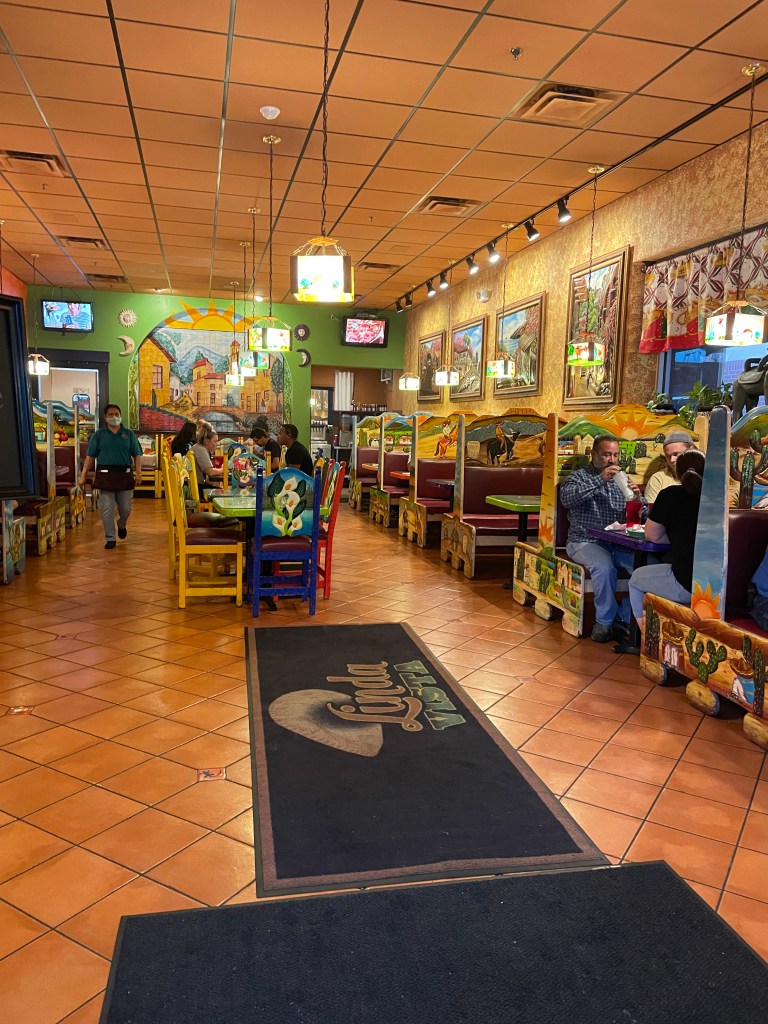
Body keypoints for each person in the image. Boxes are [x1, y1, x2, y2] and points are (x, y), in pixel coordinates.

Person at [560, 435, 645, 643]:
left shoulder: (622, 480)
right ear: (594, 454)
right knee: (605, 567)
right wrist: (600, 479)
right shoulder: (578, 477)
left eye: (615, 455)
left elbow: (640, 517)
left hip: (618, 542)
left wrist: (637, 500)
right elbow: (567, 499)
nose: (612, 460)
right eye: (607, 454)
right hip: (584, 541)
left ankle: (624, 617)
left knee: (647, 569)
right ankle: (604, 623)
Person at [628, 450, 705, 627]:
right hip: (717, 584)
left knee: (636, 579)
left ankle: (646, 639)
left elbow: (652, 535)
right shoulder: (719, 497)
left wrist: (678, 539)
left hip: (686, 582)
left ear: (677, 472)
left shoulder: (670, 495)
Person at [79, 403, 142, 550]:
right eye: (111, 415)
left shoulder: (128, 434)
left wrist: (138, 473)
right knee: (106, 508)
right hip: (105, 474)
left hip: (124, 474)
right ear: (105, 417)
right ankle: (110, 538)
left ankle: (121, 524)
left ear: (120, 416)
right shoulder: (99, 435)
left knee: (126, 508)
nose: (114, 417)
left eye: (117, 414)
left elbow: (137, 454)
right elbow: (90, 457)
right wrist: (83, 476)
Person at [644, 431, 694, 503]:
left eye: (676, 454)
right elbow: (652, 511)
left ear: (691, 450)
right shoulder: (658, 479)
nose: (672, 460)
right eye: (668, 456)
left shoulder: (703, 476)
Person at [192, 421, 224, 489]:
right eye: (215, 441)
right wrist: (223, 469)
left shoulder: (198, 447)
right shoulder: (200, 450)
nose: (216, 444)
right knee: (222, 492)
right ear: (207, 441)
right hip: (194, 488)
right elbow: (210, 472)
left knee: (218, 488)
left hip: (193, 485)